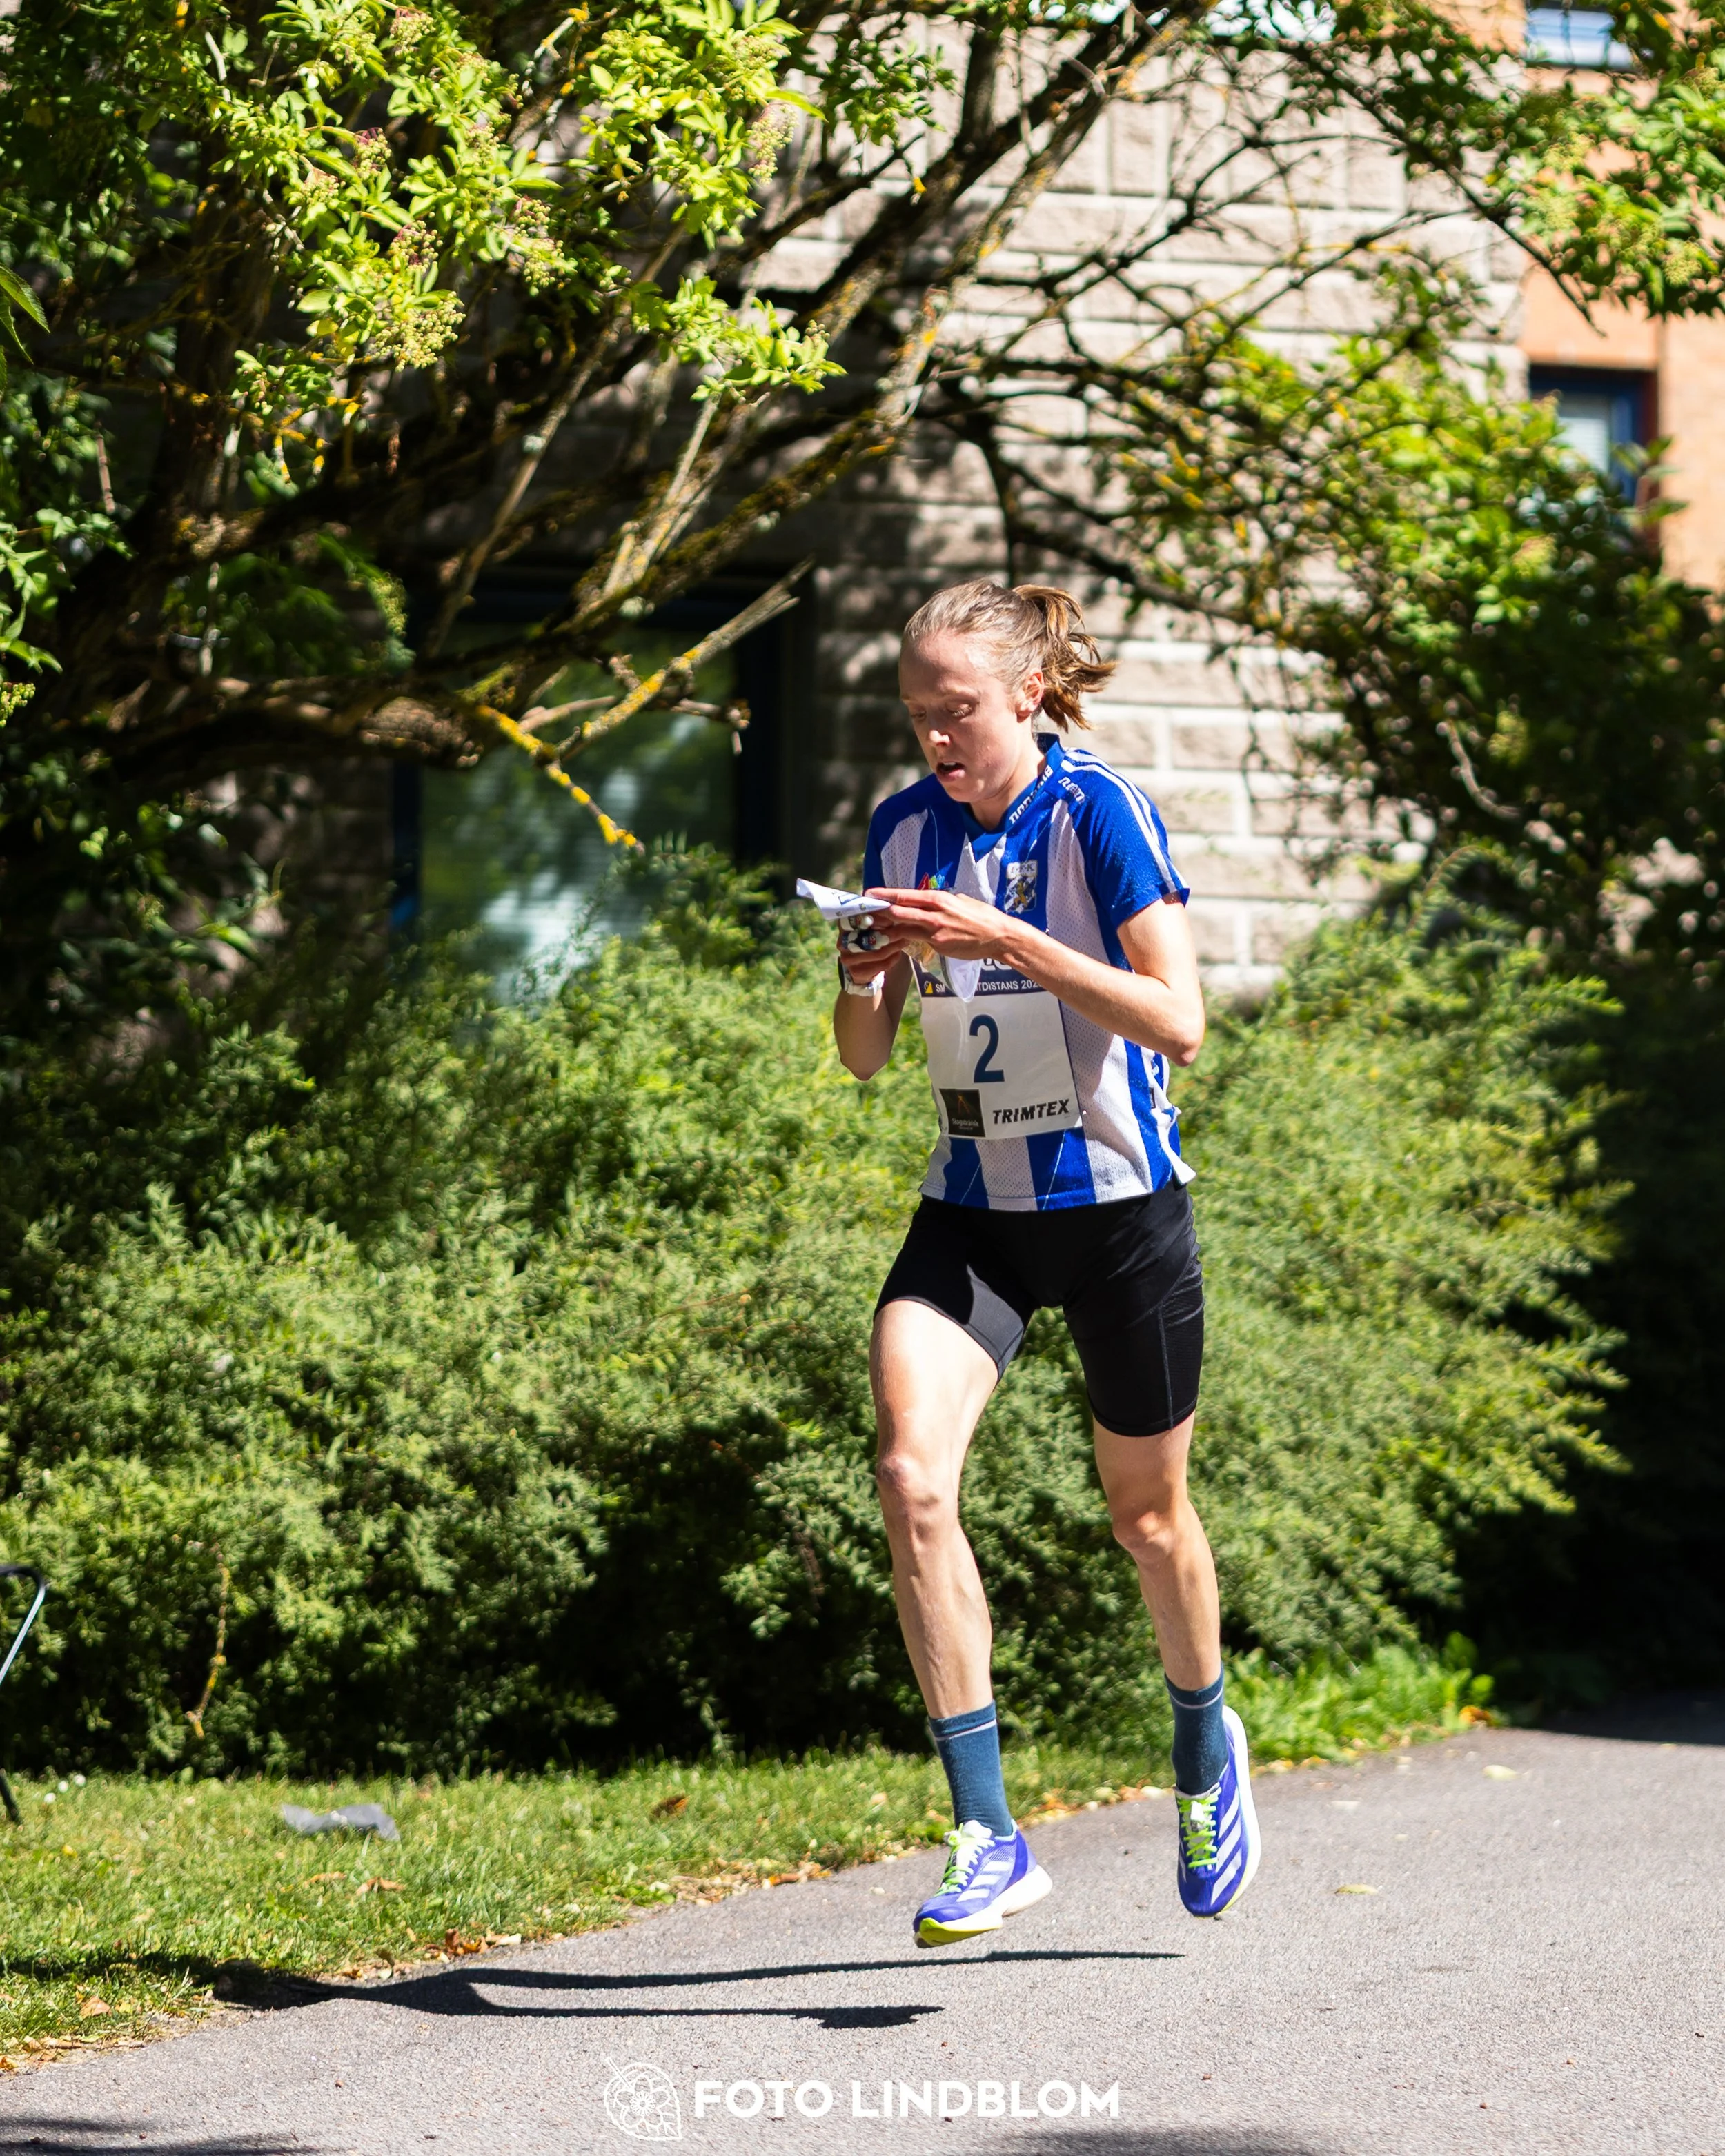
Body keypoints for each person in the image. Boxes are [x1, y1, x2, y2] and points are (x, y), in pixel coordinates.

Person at [829, 580, 1261, 1947]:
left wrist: (1004, 936)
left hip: (1120, 1209)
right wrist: (862, 968)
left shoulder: (1098, 814)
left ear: (1023, 695)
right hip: (975, 1213)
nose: (934, 738)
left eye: (953, 710)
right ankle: (985, 1829)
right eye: (914, 715)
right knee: (907, 1474)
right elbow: (861, 1056)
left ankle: (1202, 1748)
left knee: (1145, 1519)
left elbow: (1177, 1020)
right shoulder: (903, 826)